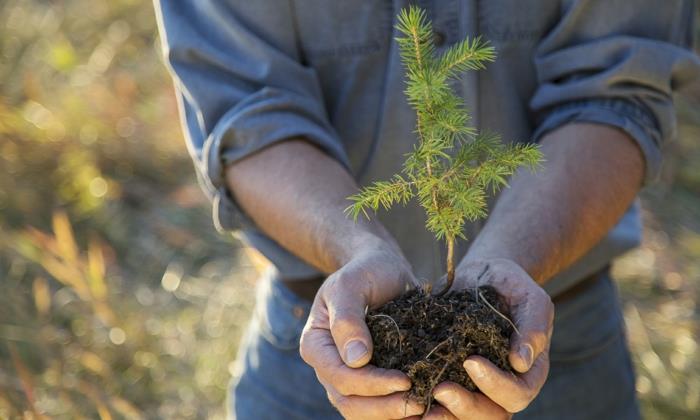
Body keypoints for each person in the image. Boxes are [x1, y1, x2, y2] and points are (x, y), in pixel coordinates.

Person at [154, 1, 699, 418]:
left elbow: (616, 92)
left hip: (553, 336)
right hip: (326, 338)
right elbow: (246, 114)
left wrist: (509, 259)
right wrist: (358, 248)